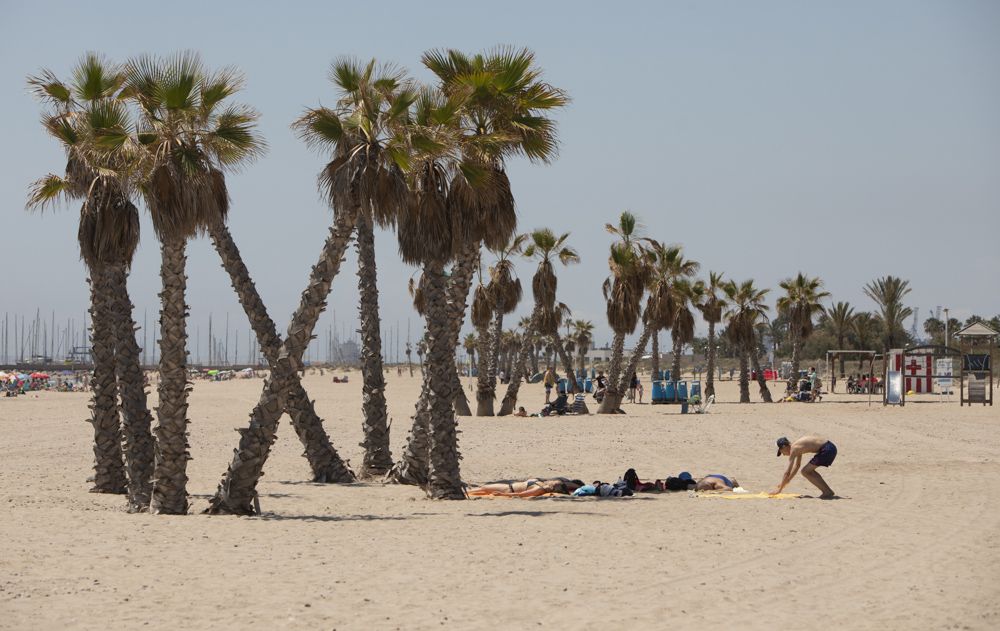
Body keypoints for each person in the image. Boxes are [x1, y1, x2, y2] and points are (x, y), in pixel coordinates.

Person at [771, 435, 838, 498]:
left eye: (781, 452)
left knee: (805, 471)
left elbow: (787, 472)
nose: (783, 454)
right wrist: (787, 481)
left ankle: (827, 491)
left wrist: (779, 490)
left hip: (826, 449)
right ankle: (827, 491)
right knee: (807, 471)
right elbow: (797, 466)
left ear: (784, 447)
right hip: (831, 447)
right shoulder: (796, 446)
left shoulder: (794, 449)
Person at [467, 477, 585, 497]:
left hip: (508, 489)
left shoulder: (541, 489)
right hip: (509, 486)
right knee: (483, 488)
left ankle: (464, 493)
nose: (554, 481)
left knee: (483, 488)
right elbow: (565, 483)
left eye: (555, 484)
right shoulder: (544, 483)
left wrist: (503, 495)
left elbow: (521, 495)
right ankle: (466, 492)